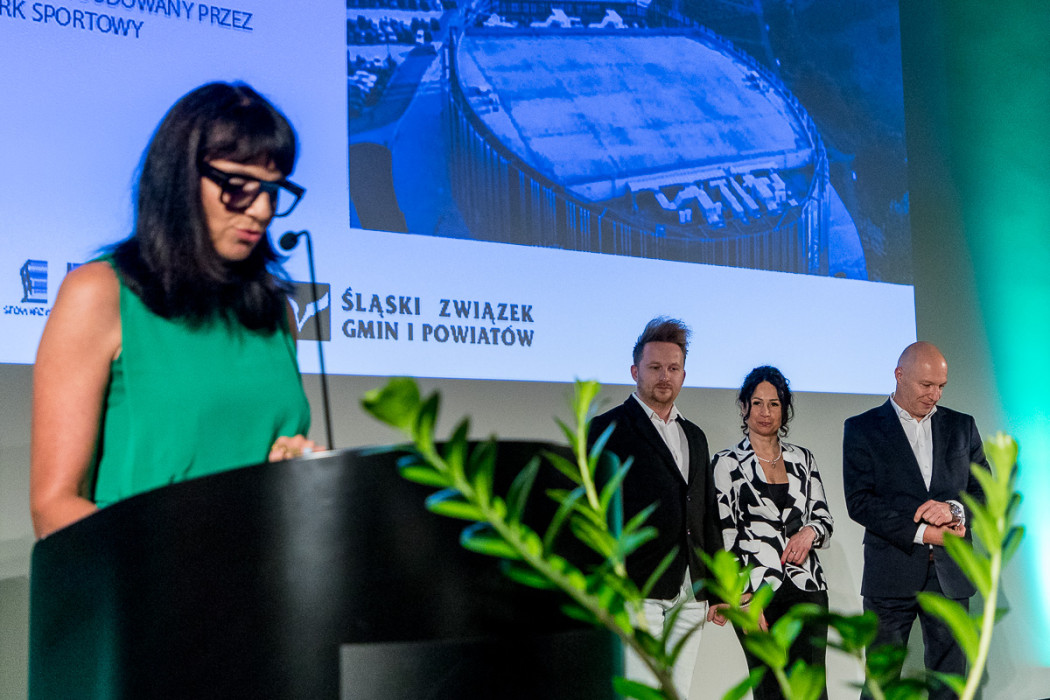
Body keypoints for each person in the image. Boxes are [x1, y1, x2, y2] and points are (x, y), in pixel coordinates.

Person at [30, 82, 320, 539]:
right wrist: (172, 563)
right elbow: (53, 507)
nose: (263, 210)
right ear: (180, 177)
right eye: (240, 186)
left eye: (273, 189)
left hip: (262, 572)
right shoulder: (100, 292)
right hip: (143, 578)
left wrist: (290, 473)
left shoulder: (275, 312)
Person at [843, 341, 986, 699]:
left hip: (951, 574)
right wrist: (923, 533)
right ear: (899, 375)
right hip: (890, 574)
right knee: (882, 684)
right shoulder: (862, 428)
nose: (935, 394)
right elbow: (860, 502)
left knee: (950, 684)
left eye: (941, 386)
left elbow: (983, 492)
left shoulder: (962, 426)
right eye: (926, 385)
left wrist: (954, 510)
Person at [587, 317, 720, 698]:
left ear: (684, 375)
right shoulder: (607, 428)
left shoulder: (694, 435)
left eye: (673, 369)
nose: (665, 376)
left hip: (690, 591)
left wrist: (717, 588)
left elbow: (707, 512)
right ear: (635, 371)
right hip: (636, 587)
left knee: (678, 693)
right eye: (655, 367)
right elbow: (593, 509)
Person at [708, 366, 833, 700]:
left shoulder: (803, 459)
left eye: (774, 404)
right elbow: (724, 534)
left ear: (784, 409)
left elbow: (824, 519)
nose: (766, 412)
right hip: (756, 592)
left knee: (811, 691)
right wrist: (743, 597)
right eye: (758, 403)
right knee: (769, 690)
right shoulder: (726, 463)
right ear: (744, 407)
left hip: (807, 586)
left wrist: (809, 532)